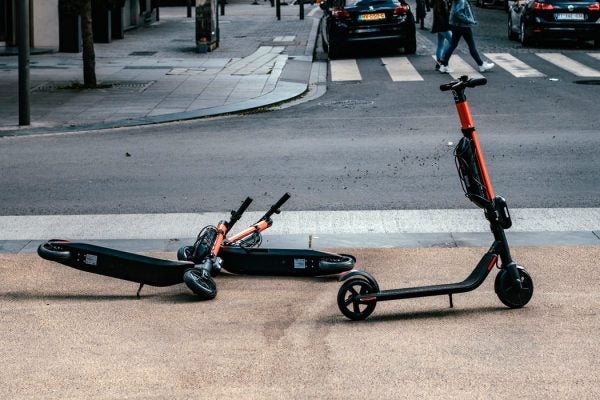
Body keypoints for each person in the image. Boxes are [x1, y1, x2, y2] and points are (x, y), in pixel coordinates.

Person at [438, 0, 494, 73]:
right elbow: (458, 12)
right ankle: (481, 65)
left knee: (453, 45)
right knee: (471, 45)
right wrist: (469, 20)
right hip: (463, 26)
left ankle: (444, 65)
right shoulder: (462, 1)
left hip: (455, 25)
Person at [431, 0, 452, 71]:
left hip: (438, 25)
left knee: (440, 44)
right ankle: (442, 60)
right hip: (443, 26)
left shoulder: (437, 2)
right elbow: (446, 14)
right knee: (452, 41)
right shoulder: (443, 1)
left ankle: (438, 63)